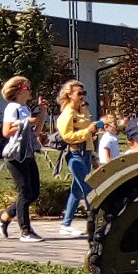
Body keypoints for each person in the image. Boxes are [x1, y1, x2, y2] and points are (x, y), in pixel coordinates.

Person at [0, 75, 47, 242]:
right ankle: (25, 231)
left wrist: (42, 113)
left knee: (34, 192)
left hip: (28, 153)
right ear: (17, 91)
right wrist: (25, 122)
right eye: (26, 87)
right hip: (15, 156)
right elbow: (6, 131)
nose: (30, 90)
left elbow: (35, 132)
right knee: (24, 192)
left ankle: (4, 217)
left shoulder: (26, 109)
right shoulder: (12, 108)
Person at [53, 80, 98, 238]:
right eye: (79, 93)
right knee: (88, 188)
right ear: (69, 95)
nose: (82, 96)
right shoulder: (68, 114)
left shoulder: (82, 111)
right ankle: (97, 222)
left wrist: (93, 155)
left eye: (83, 93)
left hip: (85, 153)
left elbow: (88, 135)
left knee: (77, 190)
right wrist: (88, 131)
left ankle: (66, 224)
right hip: (74, 154)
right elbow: (67, 137)